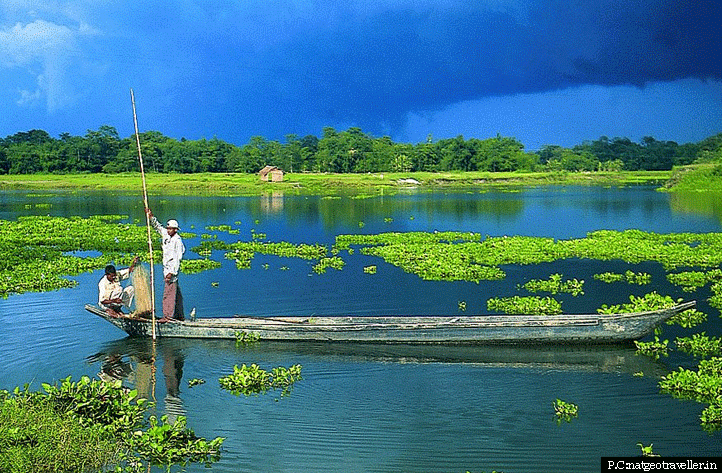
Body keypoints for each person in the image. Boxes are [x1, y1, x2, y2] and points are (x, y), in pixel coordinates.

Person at [146, 208, 186, 322]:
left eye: (170, 228)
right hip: (166, 269)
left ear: (175, 230)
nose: (168, 230)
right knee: (176, 293)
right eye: (167, 228)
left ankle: (167, 316)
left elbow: (178, 258)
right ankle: (179, 315)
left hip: (171, 271)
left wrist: (171, 272)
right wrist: (151, 217)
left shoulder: (178, 241)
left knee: (168, 294)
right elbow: (158, 227)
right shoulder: (166, 235)